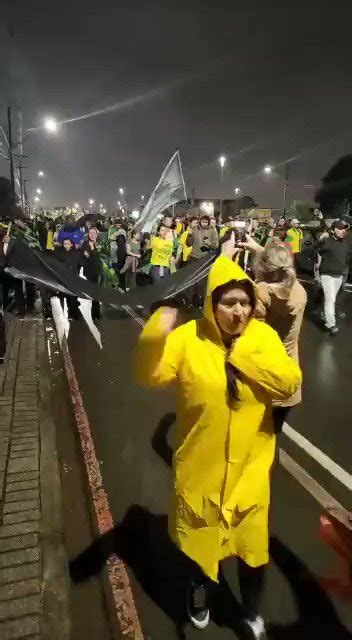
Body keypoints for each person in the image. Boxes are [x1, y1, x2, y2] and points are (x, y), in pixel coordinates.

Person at [136, 254, 301, 637]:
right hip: (200, 474)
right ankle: (199, 598)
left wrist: (241, 356)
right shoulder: (188, 339)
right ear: (213, 303)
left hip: (249, 474)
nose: (238, 311)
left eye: (244, 302)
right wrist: (155, 330)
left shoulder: (262, 339)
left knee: (252, 553)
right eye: (229, 302)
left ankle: (252, 613)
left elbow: (289, 383)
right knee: (200, 552)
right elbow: (148, 374)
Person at [239, 236, 307, 431]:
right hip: (287, 377)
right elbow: (280, 269)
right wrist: (260, 250)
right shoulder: (298, 290)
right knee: (272, 436)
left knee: (254, 441)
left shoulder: (260, 292)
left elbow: (246, 332)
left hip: (262, 379)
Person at [316, 220, 350, 335]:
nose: (343, 231)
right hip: (327, 275)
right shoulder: (327, 242)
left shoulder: (345, 244)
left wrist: (344, 271)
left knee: (331, 299)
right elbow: (315, 251)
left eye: (344, 229)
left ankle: (325, 314)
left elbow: (347, 258)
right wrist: (320, 240)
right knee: (330, 299)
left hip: (339, 276)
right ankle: (331, 324)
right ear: (332, 230)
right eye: (340, 228)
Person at [56, 238, 81, 319]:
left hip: (73, 279)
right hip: (63, 279)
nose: (66, 245)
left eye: (68, 244)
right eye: (65, 244)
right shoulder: (60, 253)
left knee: (73, 298)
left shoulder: (76, 253)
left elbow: (79, 264)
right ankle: (64, 315)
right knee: (64, 297)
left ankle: (74, 315)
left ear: (71, 244)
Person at [81, 228, 102, 320]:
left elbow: (97, 260)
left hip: (98, 271)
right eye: (90, 233)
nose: (92, 235)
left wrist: (93, 250)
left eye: (94, 233)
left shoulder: (99, 244)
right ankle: (94, 312)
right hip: (89, 271)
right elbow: (85, 257)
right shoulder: (85, 244)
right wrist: (91, 254)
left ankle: (96, 313)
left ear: (97, 234)